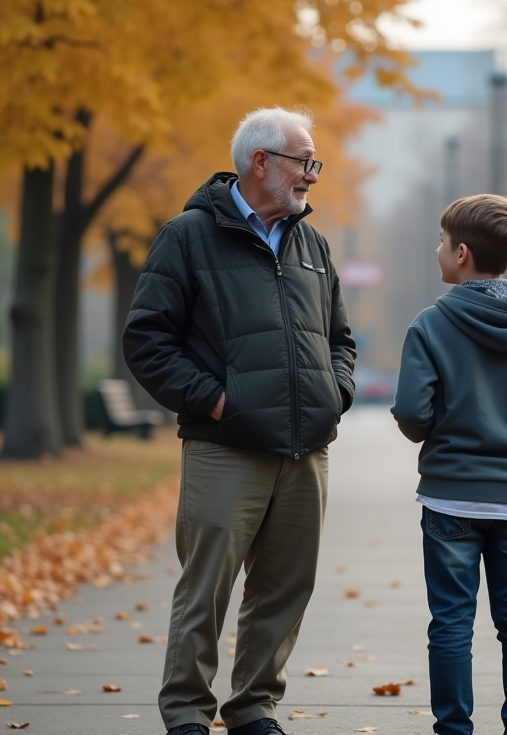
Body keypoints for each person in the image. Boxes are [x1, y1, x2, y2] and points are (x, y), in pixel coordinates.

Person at [123, 107, 356, 735]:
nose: (312, 174)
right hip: (225, 447)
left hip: (305, 450)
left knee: (285, 588)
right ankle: (187, 715)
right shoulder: (188, 235)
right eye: (304, 161)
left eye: (314, 162)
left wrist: (335, 391)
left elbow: (341, 338)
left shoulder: (312, 242)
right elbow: (147, 341)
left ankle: (255, 708)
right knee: (207, 589)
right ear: (261, 163)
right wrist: (215, 401)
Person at [390, 193, 507, 735]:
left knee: (452, 619)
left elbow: (411, 411)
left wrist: (437, 431)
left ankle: (454, 728)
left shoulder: (432, 324)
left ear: (463, 253)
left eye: (442, 242)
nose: (437, 250)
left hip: (451, 495)